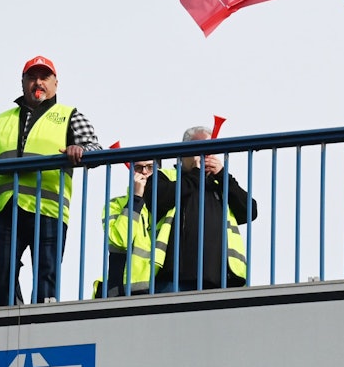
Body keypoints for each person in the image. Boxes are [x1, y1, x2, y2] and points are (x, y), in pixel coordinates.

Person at [0, 55, 101, 304]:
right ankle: (2, 325)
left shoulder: (69, 116)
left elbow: (95, 149)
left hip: (48, 210)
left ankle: (42, 326)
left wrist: (80, 151)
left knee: (46, 278)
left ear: (56, 83)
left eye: (44, 77)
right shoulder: (3, 119)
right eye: (32, 77)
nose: (38, 83)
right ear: (23, 83)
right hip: (8, 209)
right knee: (1, 277)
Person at [144, 126, 257, 291]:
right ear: (184, 152)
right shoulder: (165, 177)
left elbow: (250, 211)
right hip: (174, 276)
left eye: (210, 150)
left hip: (220, 279)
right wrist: (196, 173)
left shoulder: (221, 184)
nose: (206, 155)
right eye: (200, 150)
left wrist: (223, 175)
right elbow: (159, 200)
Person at [94, 161, 166, 297]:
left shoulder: (167, 202)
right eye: (138, 168)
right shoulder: (116, 204)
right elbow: (121, 240)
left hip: (161, 287)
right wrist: (136, 198)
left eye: (150, 167)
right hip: (124, 290)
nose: (144, 172)